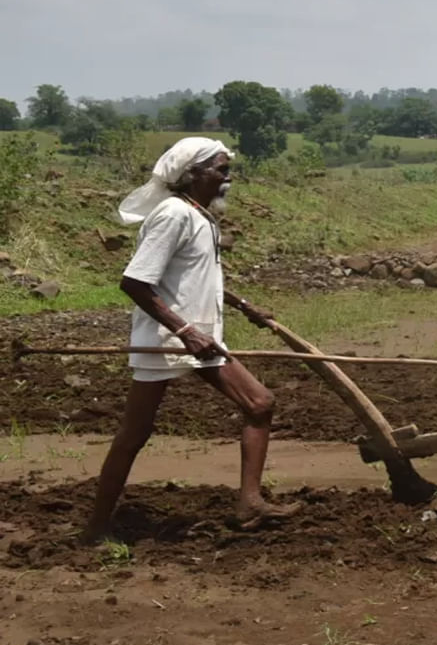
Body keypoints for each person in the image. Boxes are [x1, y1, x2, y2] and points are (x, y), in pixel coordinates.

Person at [82, 137, 300, 543]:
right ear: (192, 174)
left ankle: (250, 504)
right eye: (220, 169)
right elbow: (134, 282)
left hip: (200, 340)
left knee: (260, 404)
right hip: (169, 339)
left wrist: (243, 304)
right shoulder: (172, 215)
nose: (227, 177)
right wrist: (185, 331)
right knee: (134, 434)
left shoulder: (200, 216)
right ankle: (95, 529)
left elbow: (194, 279)